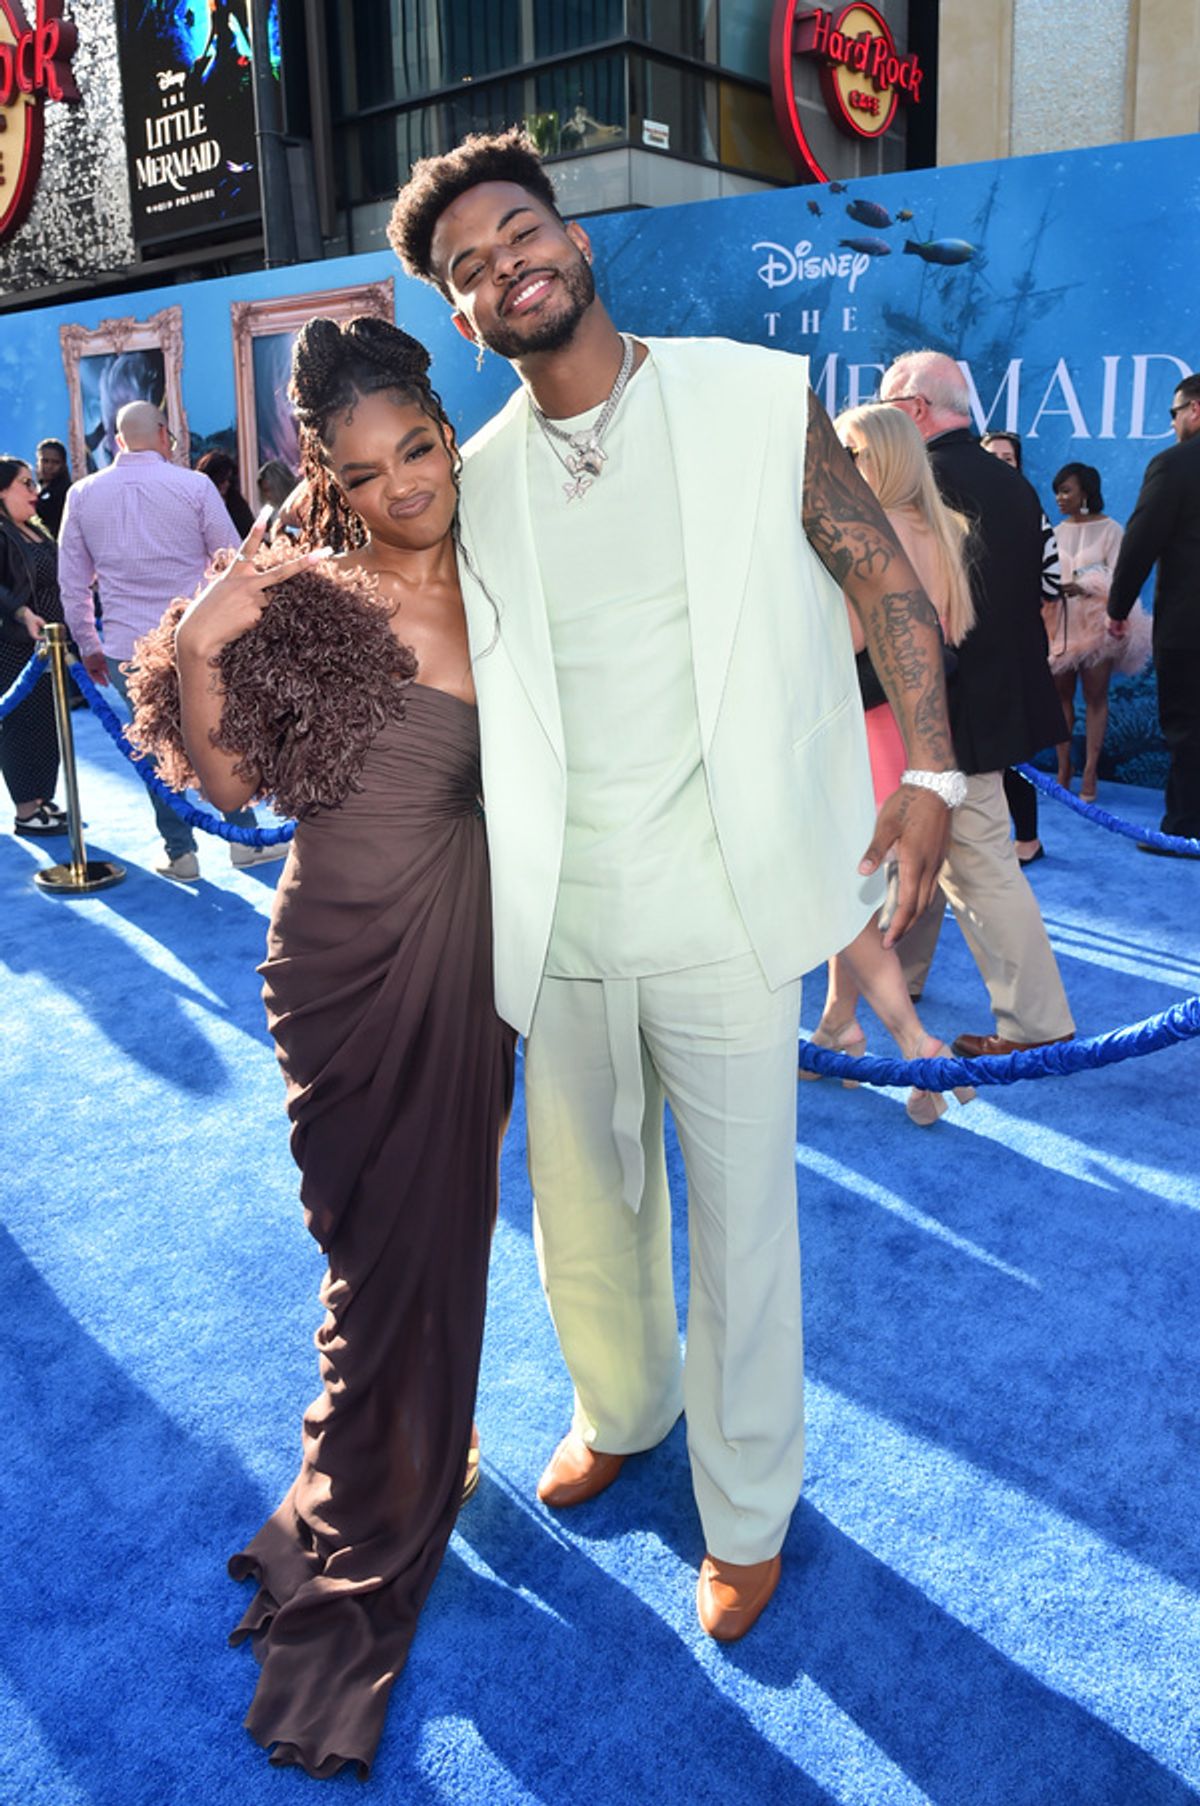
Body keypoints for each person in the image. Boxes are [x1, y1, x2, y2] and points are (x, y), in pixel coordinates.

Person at [390, 128, 961, 1640]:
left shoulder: (746, 397)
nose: (504, 265)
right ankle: (623, 1408)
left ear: (570, 239)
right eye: (469, 267)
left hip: (724, 900)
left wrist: (931, 776)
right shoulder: (481, 480)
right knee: (582, 1211)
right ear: (461, 314)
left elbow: (882, 578)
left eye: (518, 233)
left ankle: (751, 1504)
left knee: (748, 1224)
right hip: (558, 914)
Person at [128, 316, 515, 1778]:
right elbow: (234, 785)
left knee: (444, 1231)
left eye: (418, 446)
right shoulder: (312, 593)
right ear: (325, 473)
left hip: (471, 943)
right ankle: (382, 1490)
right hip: (340, 951)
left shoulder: (513, 563)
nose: (406, 483)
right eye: (367, 468)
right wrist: (217, 628)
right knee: (372, 1240)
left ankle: (413, 1451)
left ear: (440, 420)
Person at [878, 349, 1075, 1059]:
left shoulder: (917, 483)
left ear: (917, 410)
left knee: (977, 863)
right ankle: (900, 975)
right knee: (924, 849)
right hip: (994, 700)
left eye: (886, 408)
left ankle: (1037, 1025)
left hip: (944, 706)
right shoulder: (1012, 483)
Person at [803, 402, 976, 1126]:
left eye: (851, 452)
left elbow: (842, 645)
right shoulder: (944, 530)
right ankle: (838, 1025)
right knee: (856, 893)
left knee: (836, 897)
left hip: (857, 735)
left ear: (889, 458)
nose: (835, 465)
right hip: (905, 738)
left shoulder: (880, 537)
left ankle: (916, 1042)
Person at [58, 401, 280, 878]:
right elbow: (227, 563)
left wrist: (88, 645)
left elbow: (72, 583)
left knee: (158, 748)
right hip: (198, 640)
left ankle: (179, 854)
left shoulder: (82, 495)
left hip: (123, 649)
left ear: (118, 442)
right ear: (163, 435)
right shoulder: (194, 486)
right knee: (220, 735)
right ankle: (242, 838)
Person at [1107, 372, 1200, 853]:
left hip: (1189, 627)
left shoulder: (1174, 465)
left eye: (1174, 413)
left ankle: (1185, 825)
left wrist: (1117, 608)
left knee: (1187, 727)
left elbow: (1141, 542)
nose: (1173, 424)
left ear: (1194, 410)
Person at [981, 429, 1063, 863]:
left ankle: (1026, 837)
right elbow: (1050, 583)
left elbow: (1052, 583)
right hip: (1006, 643)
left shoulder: (952, 509)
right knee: (1010, 745)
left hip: (996, 647)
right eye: (990, 456)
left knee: (1012, 747)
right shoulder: (1030, 508)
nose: (998, 463)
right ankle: (1012, 840)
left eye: (1006, 458)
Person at [0, 456, 67, 836]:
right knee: (20, 725)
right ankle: (26, 808)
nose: (35, 490)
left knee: (45, 722)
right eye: (25, 483)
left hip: (48, 647)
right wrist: (22, 613)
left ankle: (42, 797)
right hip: (13, 646)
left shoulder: (34, 529)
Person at [195, 449, 256, 537]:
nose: (226, 484)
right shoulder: (197, 503)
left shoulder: (236, 503)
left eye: (229, 479)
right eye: (222, 479)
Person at [34, 438, 72, 538]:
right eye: (44, 461)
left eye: (55, 462)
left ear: (63, 464)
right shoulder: (35, 489)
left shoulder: (66, 492)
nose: (49, 466)